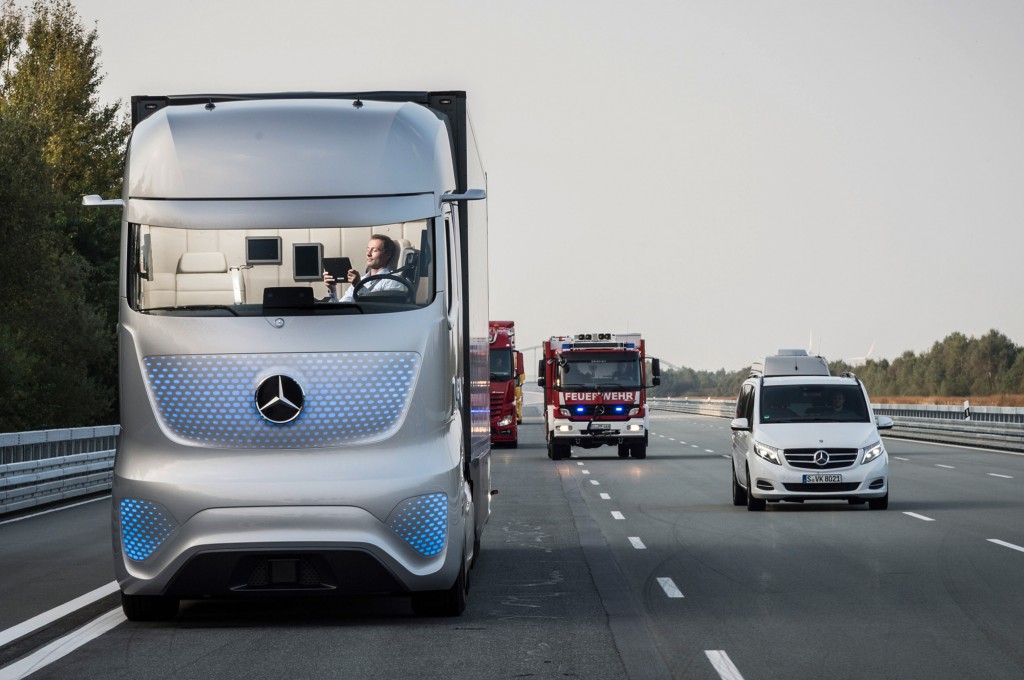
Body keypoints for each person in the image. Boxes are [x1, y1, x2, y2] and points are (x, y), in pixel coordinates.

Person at [323, 234, 403, 302]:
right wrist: (332, 290)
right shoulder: (361, 280)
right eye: (367, 249)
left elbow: (382, 309)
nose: (368, 254)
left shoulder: (393, 280)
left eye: (374, 250)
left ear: (387, 255)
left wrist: (358, 285)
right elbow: (340, 309)